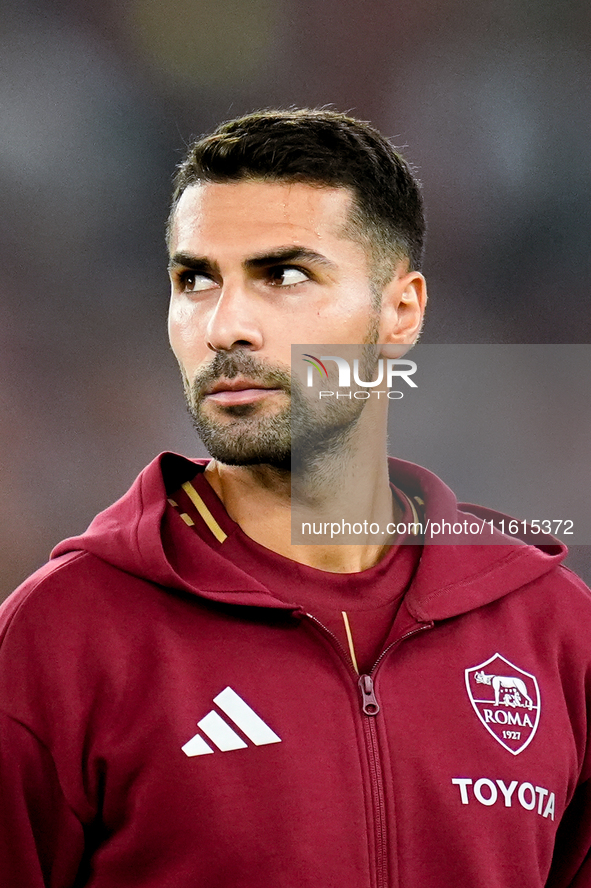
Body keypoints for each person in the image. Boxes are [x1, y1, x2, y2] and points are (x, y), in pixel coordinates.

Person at [0, 109, 590, 888]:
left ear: (399, 312)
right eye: (195, 279)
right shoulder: (61, 640)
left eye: (283, 276)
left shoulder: (553, 631)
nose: (224, 326)